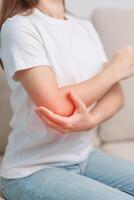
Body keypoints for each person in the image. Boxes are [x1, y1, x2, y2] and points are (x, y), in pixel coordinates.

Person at [0, 0, 134, 199]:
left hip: (85, 156)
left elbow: (116, 96)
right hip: (32, 169)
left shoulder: (83, 27)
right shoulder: (18, 27)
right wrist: (115, 69)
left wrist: (93, 119)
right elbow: (57, 106)